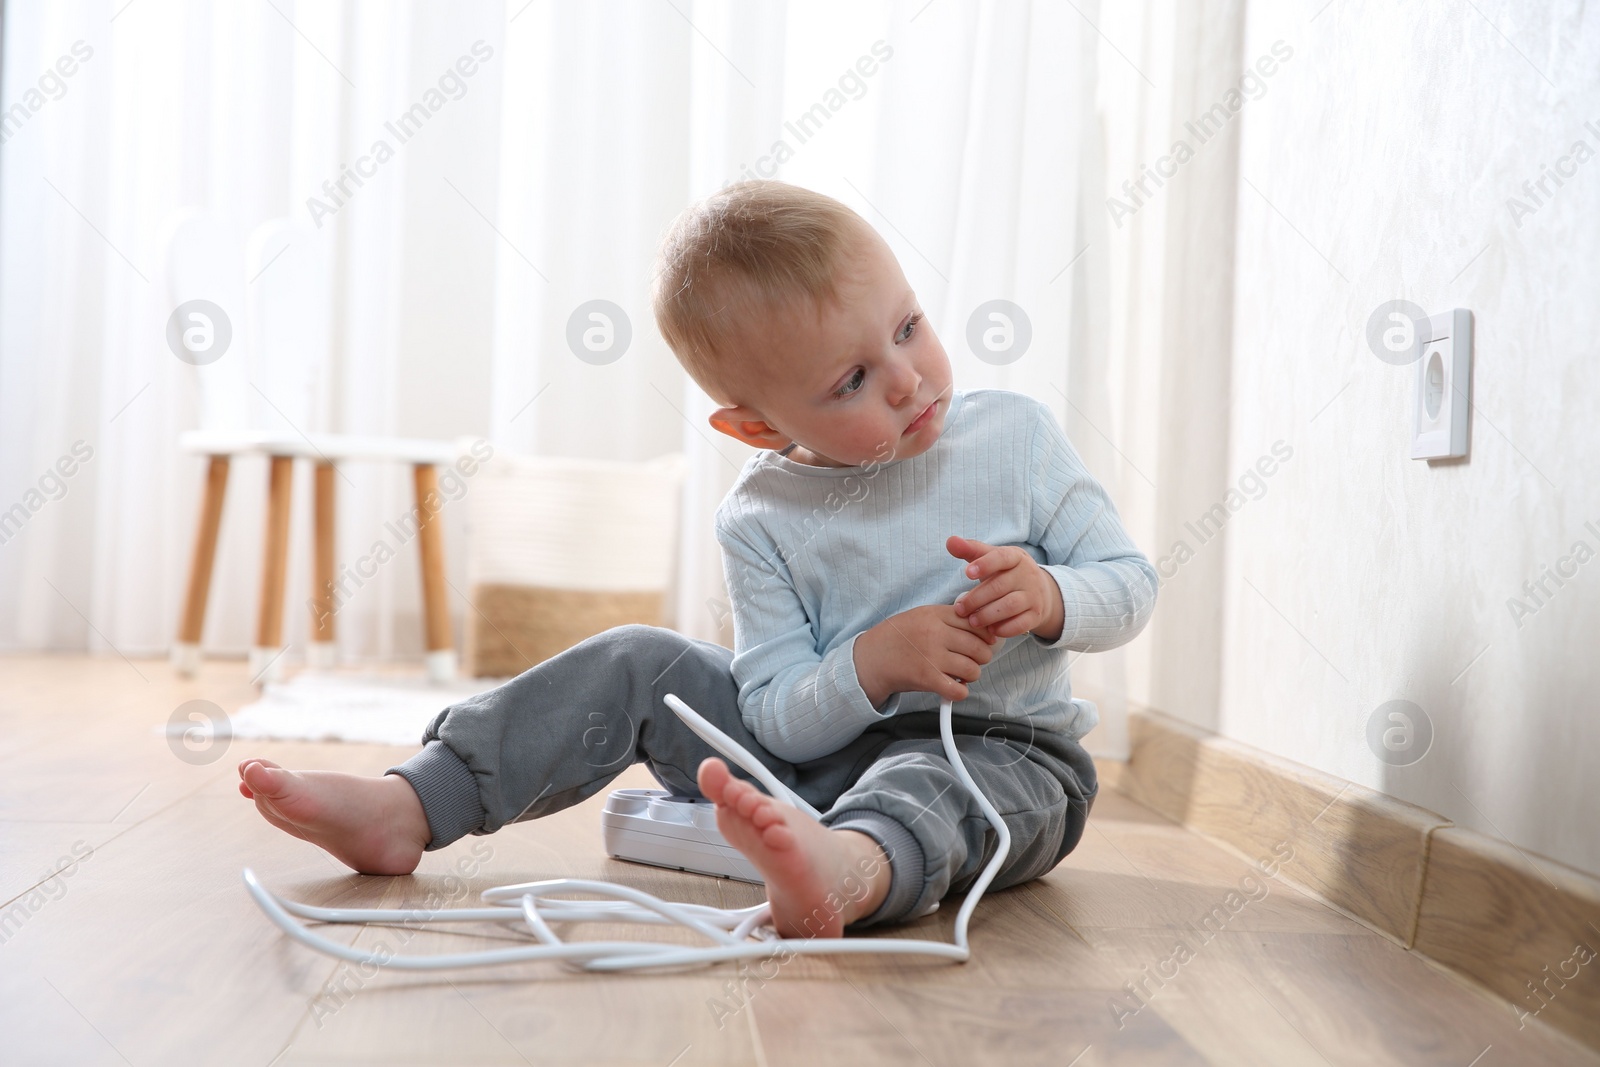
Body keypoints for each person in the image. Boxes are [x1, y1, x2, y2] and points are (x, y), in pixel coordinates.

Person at [238, 180, 1157, 939]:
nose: (909, 378)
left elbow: (1130, 585)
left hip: (1008, 762)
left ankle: (851, 869)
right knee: (639, 659)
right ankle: (415, 804)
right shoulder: (759, 517)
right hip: (816, 762)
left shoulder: (1016, 439)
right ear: (758, 425)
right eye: (851, 381)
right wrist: (873, 663)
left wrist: (1050, 596)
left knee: (923, 776)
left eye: (909, 327)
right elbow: (776, 718)